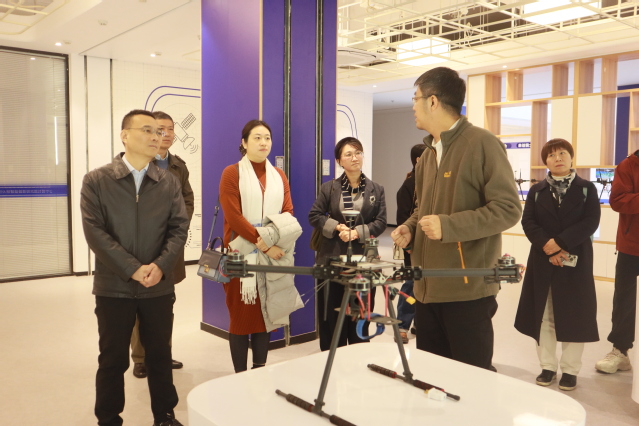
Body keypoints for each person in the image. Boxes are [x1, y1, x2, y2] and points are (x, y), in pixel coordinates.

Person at [391, 67, 522, 370]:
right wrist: (410, 228)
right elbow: (423, 209)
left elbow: (508, 209)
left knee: (471, 381)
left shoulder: (482, 144)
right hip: (426, 288)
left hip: (467, 291)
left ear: (433, 101)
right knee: (433, 379)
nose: (413, 106)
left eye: (416, 99)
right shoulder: (427, 155)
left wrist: (448, 226)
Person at [81, 109, 188, 426]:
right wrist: (132, 268)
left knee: (160, 355)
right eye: (148, 130)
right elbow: (95, 232)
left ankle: (164, 416)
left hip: (158, 286)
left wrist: (161, 265)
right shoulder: (97, 181)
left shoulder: (169, 182)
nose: (156, 136)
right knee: (112, 359)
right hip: (113, 287)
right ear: (124, 135)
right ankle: (108, 418)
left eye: (159, 131)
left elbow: (179, 229)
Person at [514, 139, 600, 391]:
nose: (558, 158)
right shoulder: (537, 190)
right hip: (543, 258)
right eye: (551, 155)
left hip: (576, 258)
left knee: (574, 314)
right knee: (544, 314)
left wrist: (560, 243)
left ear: (571, 157)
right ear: (546, 162)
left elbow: (591, 221)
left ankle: (570, 370)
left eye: (563, 153)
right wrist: (548, 246)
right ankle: (547, 366)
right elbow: (528, 222)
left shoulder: (586, 189)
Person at [219, 119, 301, 373]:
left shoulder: (279, 175)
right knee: (241, 318)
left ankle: (259, 371)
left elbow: (287, 212)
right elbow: (234, 218)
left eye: (267, 137)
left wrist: (271, 242)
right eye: (257, 137)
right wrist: (265, 245)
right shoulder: (231, 173)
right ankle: (239, 375)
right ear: (244, 143)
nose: (263, 142)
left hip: (273, 254)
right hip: (240, 256)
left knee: (266, 315)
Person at [131, 111, 194, 379]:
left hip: (170, 246)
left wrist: (175, 227)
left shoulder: (179, 166)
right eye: (160, 129)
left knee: (165, 304)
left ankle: (162, 354)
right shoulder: (137, 164)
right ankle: (140, 358)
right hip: (142, 246)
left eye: (170, 129)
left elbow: (188, 200)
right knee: (140, 304)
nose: (166, 134)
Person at [308, 137, 387, 351]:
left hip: (363, 261)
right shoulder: (329, 188)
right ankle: (331, 358)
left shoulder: (376, 189)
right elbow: (314, 215)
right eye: (349, 154)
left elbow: (381, 222)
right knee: (331, 316)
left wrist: (356, 233)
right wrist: (337, 227)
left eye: (358, 153)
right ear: (339, 161)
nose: (355, 158)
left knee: (360, 314)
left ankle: (358, 356)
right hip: (331, 259)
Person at [595, 150, 639, 374]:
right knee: (624, 300)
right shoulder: (628, 166)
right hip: (631, 245)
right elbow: (618, 201)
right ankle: (620, 351)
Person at [395, 143, 427, 344]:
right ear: (418, 160)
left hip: (429, 246)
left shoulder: (430, 181)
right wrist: (407, 245)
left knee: (425, 284)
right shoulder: (409, 186)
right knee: (410, 284)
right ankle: (402, 325)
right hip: (412, 246)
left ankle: (419, 323)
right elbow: (402, 219)